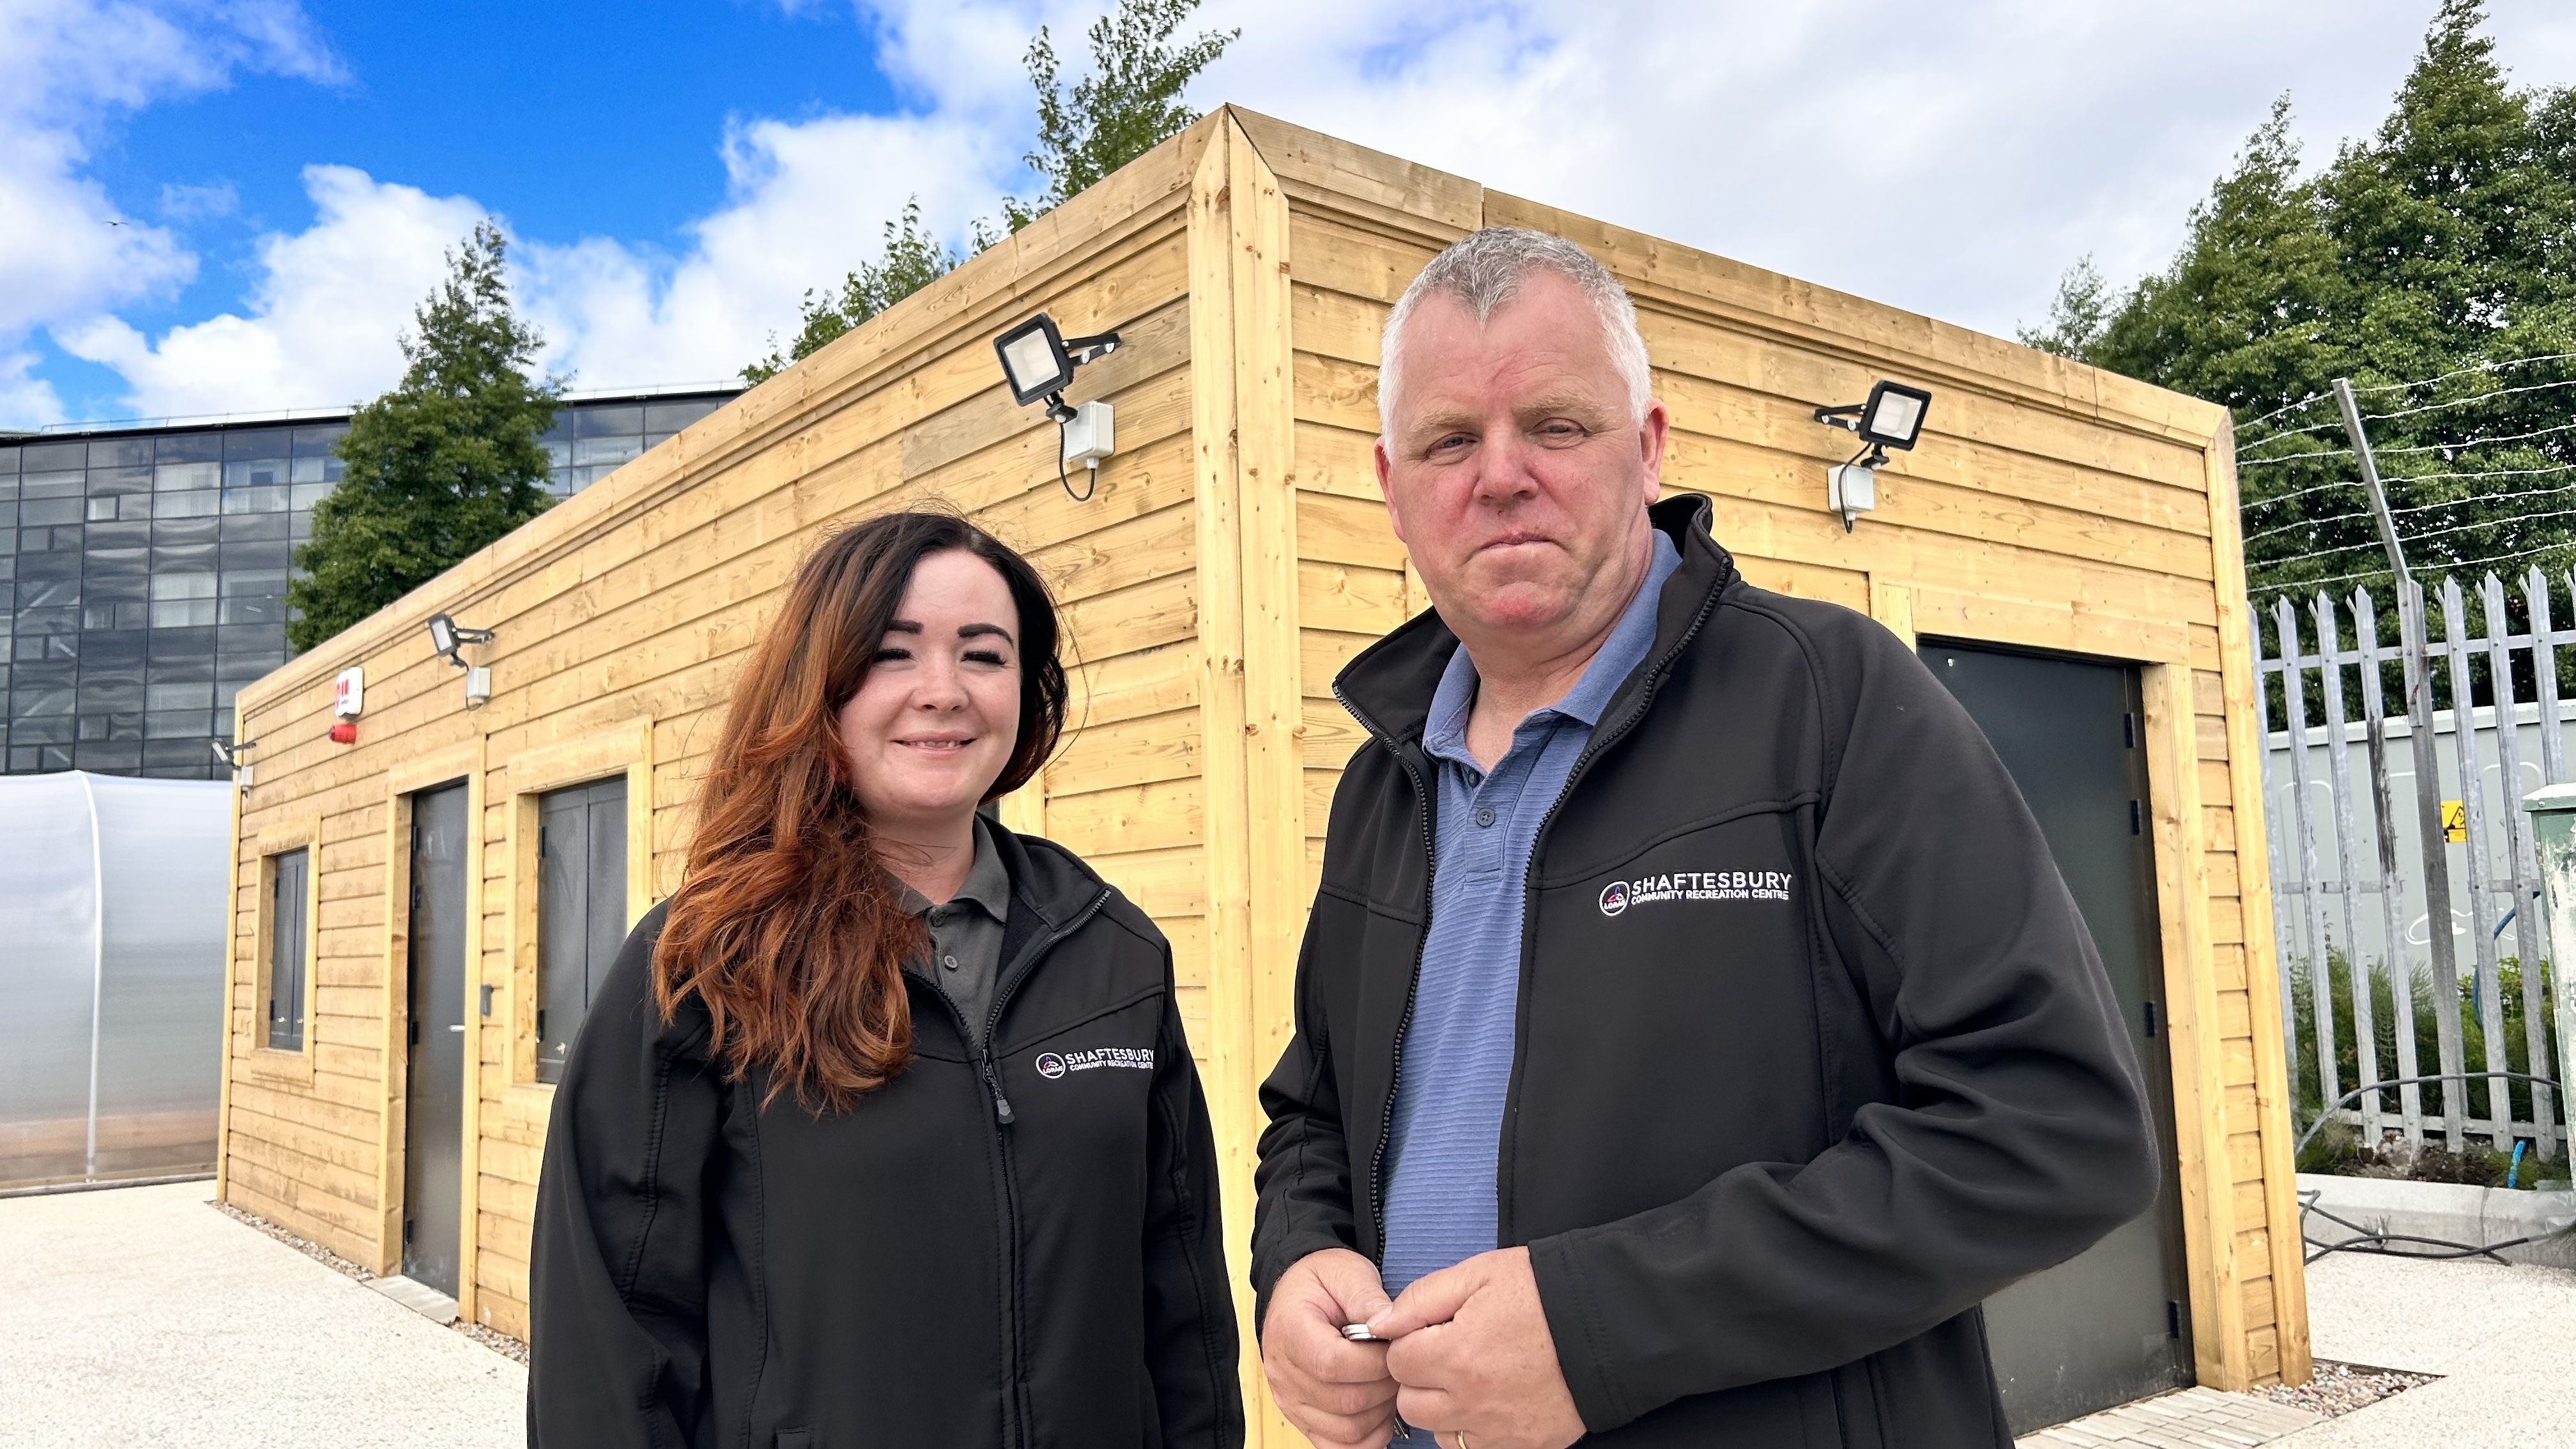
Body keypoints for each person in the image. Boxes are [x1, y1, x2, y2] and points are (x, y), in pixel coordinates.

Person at [1250, 228, 2159, 1449]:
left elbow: (2057, 1129)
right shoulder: (1382, 780)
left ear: (1650, 445)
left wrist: (1605, 1325)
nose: (1501, 474)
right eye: (1449, 440)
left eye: (1557, 426)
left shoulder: (1830, 703)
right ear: (1392, 484)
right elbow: (1313, 1116)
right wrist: (1298, 1263)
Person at [528, 512, 1242, 1448]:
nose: (942, 692)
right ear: (819, 686)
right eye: (892, 654)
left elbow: (1182, 1302)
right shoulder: (705, 963)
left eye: (983, 656)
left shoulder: (1114, 953)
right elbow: (610, 1336)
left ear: (1025, 692)